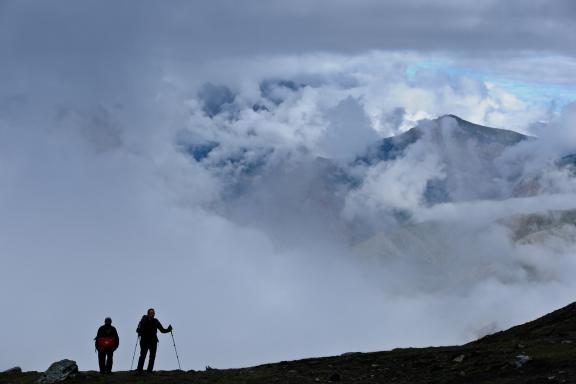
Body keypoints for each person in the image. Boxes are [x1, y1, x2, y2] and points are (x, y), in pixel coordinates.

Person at [136, 308, 172, 372]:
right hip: (145, 340)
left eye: (153, 313)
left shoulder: (156, 321)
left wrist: (168, 329)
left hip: (153, 341)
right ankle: (139, 370)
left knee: (152, 356)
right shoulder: (143, 319)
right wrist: (139, 331)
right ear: (148, 313)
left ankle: (149, 371)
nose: (153, 314)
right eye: (151, 312)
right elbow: (138, 329)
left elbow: (162, 330)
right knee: (143, 355)